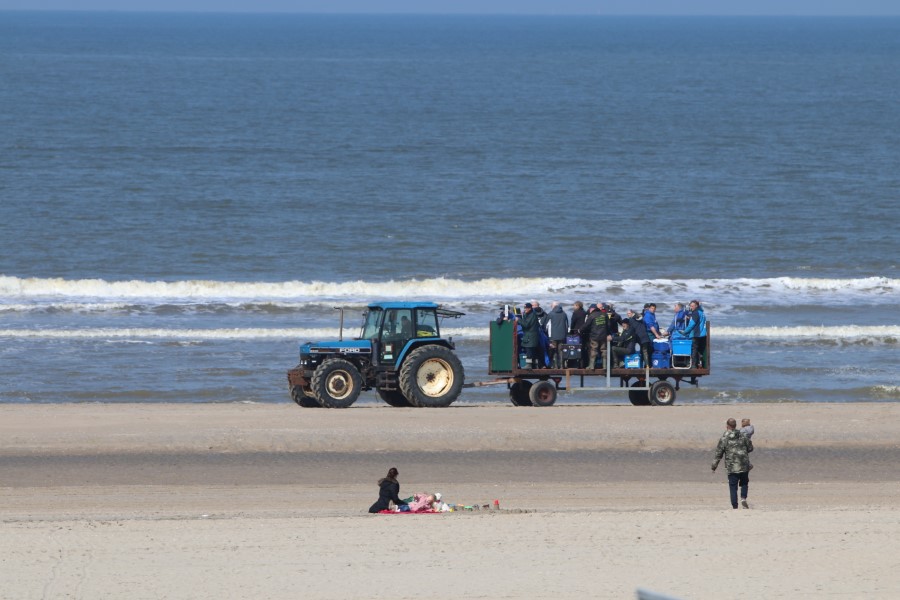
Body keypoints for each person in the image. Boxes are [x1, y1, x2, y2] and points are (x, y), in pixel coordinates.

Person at [711, 418, 754, 509]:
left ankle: (735, 506)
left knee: (733, 486)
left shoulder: (724, 438)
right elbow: (750, 448)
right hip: (744, 464)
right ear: (735, 425)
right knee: (744, 483)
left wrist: (714, 466)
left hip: (732, 466)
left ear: (727, 426)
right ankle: (743, 498)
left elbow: (718, 454)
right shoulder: (743, 435)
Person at [580, 303, 612, 370]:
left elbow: (586, 325)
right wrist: (608, 333)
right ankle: (605, 366)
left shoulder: (592, 315)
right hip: (603, 336)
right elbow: (608, 326)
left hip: (594, 336)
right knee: (604, 350)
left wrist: (580, 330)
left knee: (594, 350)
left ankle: (591, 366)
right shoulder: (605, 315)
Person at [682, 299, 708, 369]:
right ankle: (699, 363)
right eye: (690, 306)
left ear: (696, 306)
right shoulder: (701, 312)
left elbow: (692, 324)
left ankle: (693, 365)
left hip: (696, 334)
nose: (691, 307)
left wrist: (685, 332)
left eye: (693, 306)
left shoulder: (695, 313)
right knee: (698, 350)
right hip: (702, 334)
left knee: (694, 349)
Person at [544, 301, 569, 368]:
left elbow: (546, 325)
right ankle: (561, 366)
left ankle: (555, 366)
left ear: (553, 306)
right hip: (562, 336)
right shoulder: (564, 314)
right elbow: (567, 325)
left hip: (553, 336)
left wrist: (546, 333)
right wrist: (565, 334)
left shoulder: (550, 314)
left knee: (553, 350)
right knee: (561, 351)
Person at [520, 303, 542, 369]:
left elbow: (526, 324)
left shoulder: (532, 315)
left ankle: (529, 365)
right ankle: (533, 364)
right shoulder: (529, 314)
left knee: (529, 351)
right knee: (530, 351)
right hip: (530, 336)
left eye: (526, 308)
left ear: (529, 308)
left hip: (531, 336)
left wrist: (519, 320)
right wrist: (523, 315)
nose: (525, 309)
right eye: (524, 308)